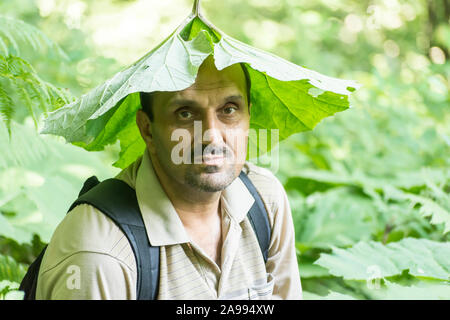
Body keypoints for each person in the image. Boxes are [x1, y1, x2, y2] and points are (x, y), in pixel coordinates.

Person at [35, 55, 302, 300]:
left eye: (229, 109)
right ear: (147, 130)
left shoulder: (266, 202)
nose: (211, 134)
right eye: (185, 113)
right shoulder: (101, 251)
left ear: (248, 117)